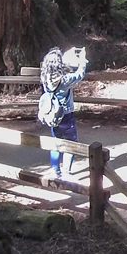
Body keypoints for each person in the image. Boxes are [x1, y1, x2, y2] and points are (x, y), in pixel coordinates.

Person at [40, 46, 88, 178]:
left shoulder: (44, 78)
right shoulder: (64, 80)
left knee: (56, 142)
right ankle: (67, 171)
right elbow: (80, 74)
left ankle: (55, 171)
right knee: (70, 143)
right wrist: (82, 59)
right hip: (66, 115)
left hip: (52, 115)